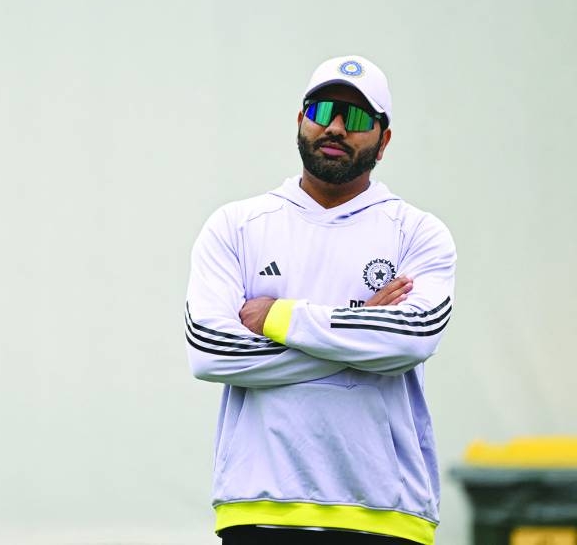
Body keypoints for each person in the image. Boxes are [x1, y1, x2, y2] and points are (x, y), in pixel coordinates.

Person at [185, 55, 456, 545]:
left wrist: (278, 315)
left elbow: (411, 340)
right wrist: (362, 333)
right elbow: (210, 352)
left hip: (386, 514)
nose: (334, 127)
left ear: (384, 139)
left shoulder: (418, 233)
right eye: (322, 110)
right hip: (260, 508)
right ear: (300, 121)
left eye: (355, 118)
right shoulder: (237, 225)